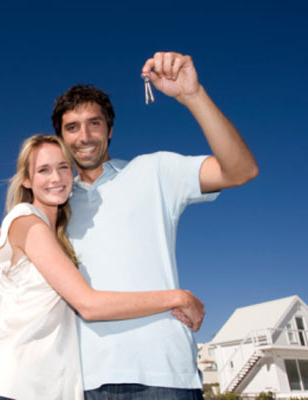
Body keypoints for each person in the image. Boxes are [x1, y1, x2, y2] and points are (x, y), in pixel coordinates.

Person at [44, 52, 258, 399]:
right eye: (72, 127)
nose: (84, 136)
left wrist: (193, 95)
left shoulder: (154, 171)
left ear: (110, 130)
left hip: (164, 374)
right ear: (60, 138)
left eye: (94, 123)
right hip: (81, 380)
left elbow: (241, 170)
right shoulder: (52, 208)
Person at [0, 134, 206, 400]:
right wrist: (177, 297)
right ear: (27, 180)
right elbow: (88, 305)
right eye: (43, 170)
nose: (56, 178)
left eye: (63, 167)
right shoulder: (27, 220)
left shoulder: (54, 236)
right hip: (6, 388)